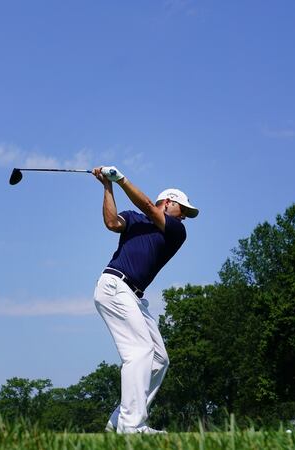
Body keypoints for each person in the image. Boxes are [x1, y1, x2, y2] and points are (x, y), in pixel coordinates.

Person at [91, 165, 199, 434]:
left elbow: (150, 207)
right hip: (115, 285)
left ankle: (120, 419)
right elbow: (111, 222)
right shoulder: (134, 219)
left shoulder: (175, 231)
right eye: (182, 209)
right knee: (139, 352)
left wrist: (121, 179)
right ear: (169, 202)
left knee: (159, 360)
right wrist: (108, 185)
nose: (183, 216)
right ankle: (132, 426)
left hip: (135, 296)